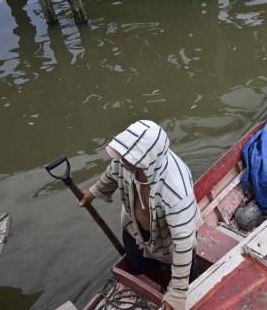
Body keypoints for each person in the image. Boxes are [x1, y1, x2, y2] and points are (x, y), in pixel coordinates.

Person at [79, 120, 202, 310]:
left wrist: (177, 292)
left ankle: (179, 288)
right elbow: (112, 172)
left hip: (169, 242)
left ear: (145, 160)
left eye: (128, 159)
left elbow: (184, 243)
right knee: (137, 264)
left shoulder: (176, 189)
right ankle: (156, 282)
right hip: (134, 228)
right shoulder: (126, 162)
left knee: (186, 277)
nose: (122, 161)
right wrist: (94, 191)